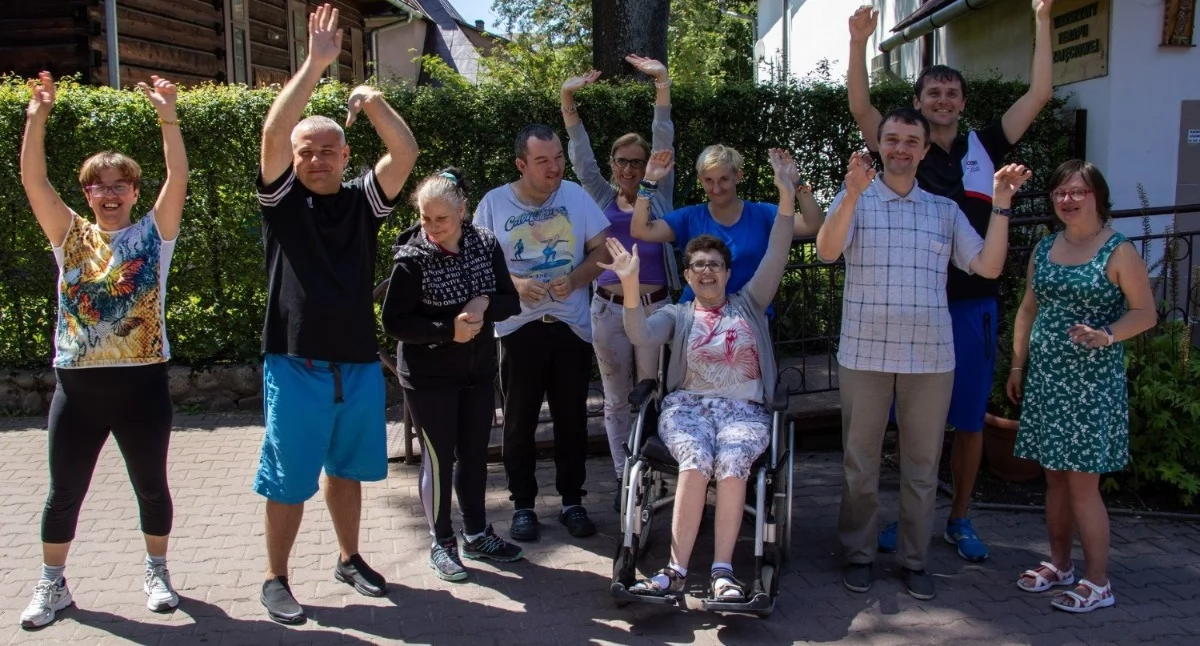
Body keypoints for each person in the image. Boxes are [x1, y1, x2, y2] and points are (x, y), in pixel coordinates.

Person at [847, 0, 1054, 562]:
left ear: (962, 102)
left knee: (966, 420)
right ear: (917, 104)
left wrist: (1040, 19)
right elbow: (861, 104)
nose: (941, 101)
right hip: (908, 311)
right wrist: (859, 43)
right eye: (932, 93)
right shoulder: (901, 147)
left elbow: (1037, 97)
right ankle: (903, 522)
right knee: (901, 428)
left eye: (951, 93)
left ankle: (959, 520)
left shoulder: (985, 148)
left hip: (970, 306)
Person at [816, 108, 1027, 600]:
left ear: (925, 150)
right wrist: (849, 194)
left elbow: (989, 267)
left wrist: (1000, 204)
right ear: (880, 145)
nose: (901, 149)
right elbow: (827, 250)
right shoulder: (855, 201)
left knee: (922, 466)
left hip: (931, 360)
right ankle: (859, 554)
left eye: (912, 141)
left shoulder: (945, 211)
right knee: (860, 464)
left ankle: (914, 559)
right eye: (892, 139)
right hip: (864, 354)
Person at [252, 3, 418, 625]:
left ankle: (349, 557)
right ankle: (276, 577)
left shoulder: (362, 202)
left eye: (328, 150)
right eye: (307, 151)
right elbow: (272, 135)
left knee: (346, 473)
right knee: (287, 479)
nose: (316, 158)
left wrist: (371, 99)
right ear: (294, 159)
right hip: (295, 362)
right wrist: (315, 65)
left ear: (346, 155)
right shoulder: (282, 202)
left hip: (355, 361)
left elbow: (403, 153)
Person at [18, 71, 188, 627]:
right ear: (86, 193)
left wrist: (168, 116)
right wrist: (37, 117)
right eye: (98, 185)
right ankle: (52, 585)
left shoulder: (152, 236)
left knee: (151, 487)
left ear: (134, 192)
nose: (110, 193)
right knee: (63, 492)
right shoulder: (69, 235)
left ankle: (157, 572)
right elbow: (33, 180)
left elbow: (178, 177)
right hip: (79, 389)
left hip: (142, 386)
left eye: (120, 185)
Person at [605, 148, 796, 602]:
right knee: (694, 458)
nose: (706, 271)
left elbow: (780, 246)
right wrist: (630, 285)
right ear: (687, 275)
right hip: (687, 407)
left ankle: (724, 573)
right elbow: (639, 333)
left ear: (729, 273)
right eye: (697, 265)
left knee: (732, 461)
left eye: (715, 264)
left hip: (745, 411)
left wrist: (786, 194)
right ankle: (673, 572)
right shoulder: (676, 314)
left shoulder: (750, 301)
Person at [1008, 160, 1155, 613]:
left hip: (1090, 386)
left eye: (1078, 192)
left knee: (1081, 486)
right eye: (1060, 193)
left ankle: (1099, 582)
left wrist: (1108, 334)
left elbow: (1145, 313)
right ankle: (1060, 565)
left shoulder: (1118, 251)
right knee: (1053, 480)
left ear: (1098, 198)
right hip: (1048, 382)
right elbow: (1028, 310)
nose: (1067, 200)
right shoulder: (1046, 246)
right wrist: (1017, 367)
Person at [380, 168, 525, 581]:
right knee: (440, 460)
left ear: (462, 212)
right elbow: (394, 322)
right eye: (426, 218)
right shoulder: (412, 259)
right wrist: (449, 331)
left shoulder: (485, 243)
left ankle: (476, 534)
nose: (433, 228)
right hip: (428, 378)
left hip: (477, 374)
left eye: (441, 219)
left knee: (476, 457)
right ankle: (441, 541)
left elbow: (509, 302)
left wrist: (482, 302)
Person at [474, 124, 610, 543]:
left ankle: (572, 501)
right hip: (518, 329)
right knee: (519, 423)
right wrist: (515, 284)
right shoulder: (494, 204)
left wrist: (577, 277)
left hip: (570, 327)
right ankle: (523, 507)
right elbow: (478, 263)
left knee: (571, 421)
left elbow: (603, 250)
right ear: (521, 164)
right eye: (543, 161)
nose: (554, 168)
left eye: (558, 159)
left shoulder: (575, 196)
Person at [560, 55, 678, 502]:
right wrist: (567, 97)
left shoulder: (659, 193)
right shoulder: (603, 196)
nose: (630, 169)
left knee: (651, 394)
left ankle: (652, 473)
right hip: (607, 309)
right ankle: (624, 478)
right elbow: (580, 157)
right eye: (623, 161)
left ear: (650, 164)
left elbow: (664, 134)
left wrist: (662, 84)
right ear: (613, 164)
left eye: (638, 161)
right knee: (613, 400)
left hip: (654, 311)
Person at [629, 144, 824, 306]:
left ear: (738, 176)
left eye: (723, 179)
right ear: (700, 180)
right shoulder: (689, 217)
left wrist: (796, 182)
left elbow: (812, 224)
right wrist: (649, 181)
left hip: (750, 318)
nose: (716, 188)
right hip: (698, 322)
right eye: (708, 181)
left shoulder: (763, 214)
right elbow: (640, 230)